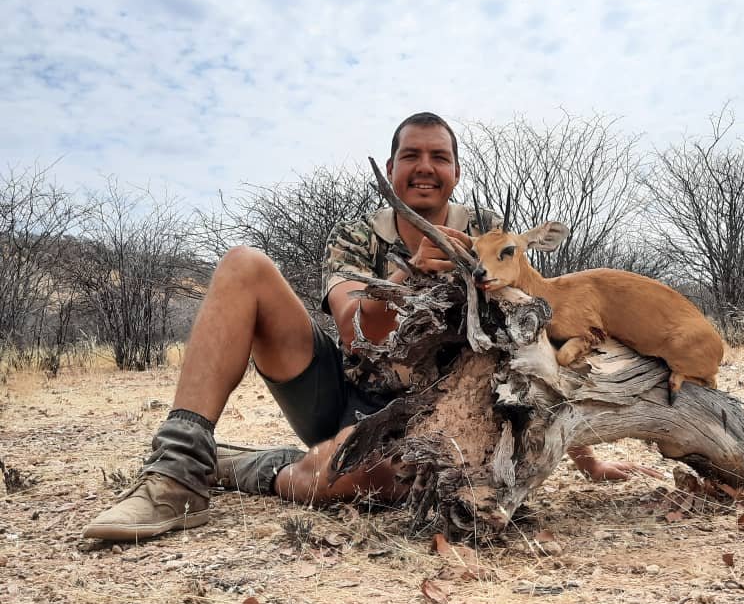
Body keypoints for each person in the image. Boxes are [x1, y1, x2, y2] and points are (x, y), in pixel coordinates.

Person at [83, 112, 653, 542]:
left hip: (427, 418)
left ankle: (247, 466)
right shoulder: (356, 236)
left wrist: (584, 456)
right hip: (341, 392)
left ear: (454, 172)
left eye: (439, 156)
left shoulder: (488, 236)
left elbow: (536, 341)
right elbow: (354, 328)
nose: (425, 166)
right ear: (391, 169)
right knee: (242, 267)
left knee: (370, 480)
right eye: (411, 155)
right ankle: (177, 474)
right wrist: (410, 282)